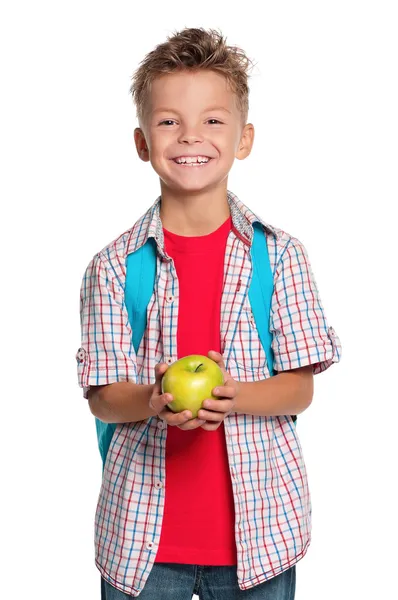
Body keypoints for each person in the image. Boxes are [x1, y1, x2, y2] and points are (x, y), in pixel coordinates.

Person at [76, 27, 342, 600]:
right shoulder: (114, 267)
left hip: (260, 539)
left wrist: (235, 396)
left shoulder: (280, 256)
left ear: (244, 138)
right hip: (142, 545)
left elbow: (299, 389)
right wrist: (152, 400)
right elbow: (101, 394)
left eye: (213, 120)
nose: (190, 135)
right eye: (169, 120)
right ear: (143, 142)